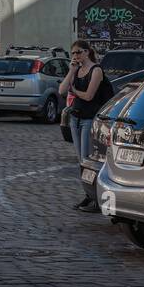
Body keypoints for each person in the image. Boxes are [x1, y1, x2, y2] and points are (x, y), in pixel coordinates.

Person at [61, 40, 109, 212]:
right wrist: (71, 71)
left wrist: (74, 91)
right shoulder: (77, 70)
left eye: (78, 52)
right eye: (73, 53)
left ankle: (97, 198)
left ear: (87, 52)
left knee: (90, 161)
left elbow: (89, 96)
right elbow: (61, 90)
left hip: (90, 119)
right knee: (82, 161)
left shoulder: (96, 70)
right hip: (75, 119)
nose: (75, 56)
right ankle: (89, 195)